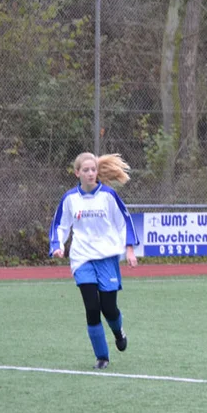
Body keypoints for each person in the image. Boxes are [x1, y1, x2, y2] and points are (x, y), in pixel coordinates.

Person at [50, 152, 139, 370]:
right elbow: (61, 226)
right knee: (92, 307)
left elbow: (124, 222)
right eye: (86, 170)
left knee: (109, 308)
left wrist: (129, 250)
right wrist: (57, 246)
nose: (91, 173)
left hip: (106, 258)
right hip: (82, 259)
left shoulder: (108, 195)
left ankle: (118, 332)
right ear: (77, 173)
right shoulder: (70, 199)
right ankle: (102, 357)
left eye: (93, 170)